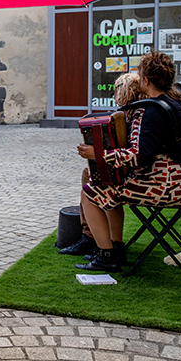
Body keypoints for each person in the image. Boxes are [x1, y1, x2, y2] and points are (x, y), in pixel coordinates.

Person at [75, 52, 181, 272]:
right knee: (109, 182)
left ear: (146, 80)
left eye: (140, 75)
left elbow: (139, 156)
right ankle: (116, 247)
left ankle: (107, 256)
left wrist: (99, 154)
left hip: (168, 185)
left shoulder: (150, 110)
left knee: (92, 191)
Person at [59, 72, 145, 257]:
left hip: (137, 174)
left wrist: (99, 154)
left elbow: (135, 153)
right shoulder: (135, 112)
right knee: (89, 173)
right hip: (137, 169)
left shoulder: (135, 114)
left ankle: (93, 238)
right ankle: (110, 240)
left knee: (92, 182)